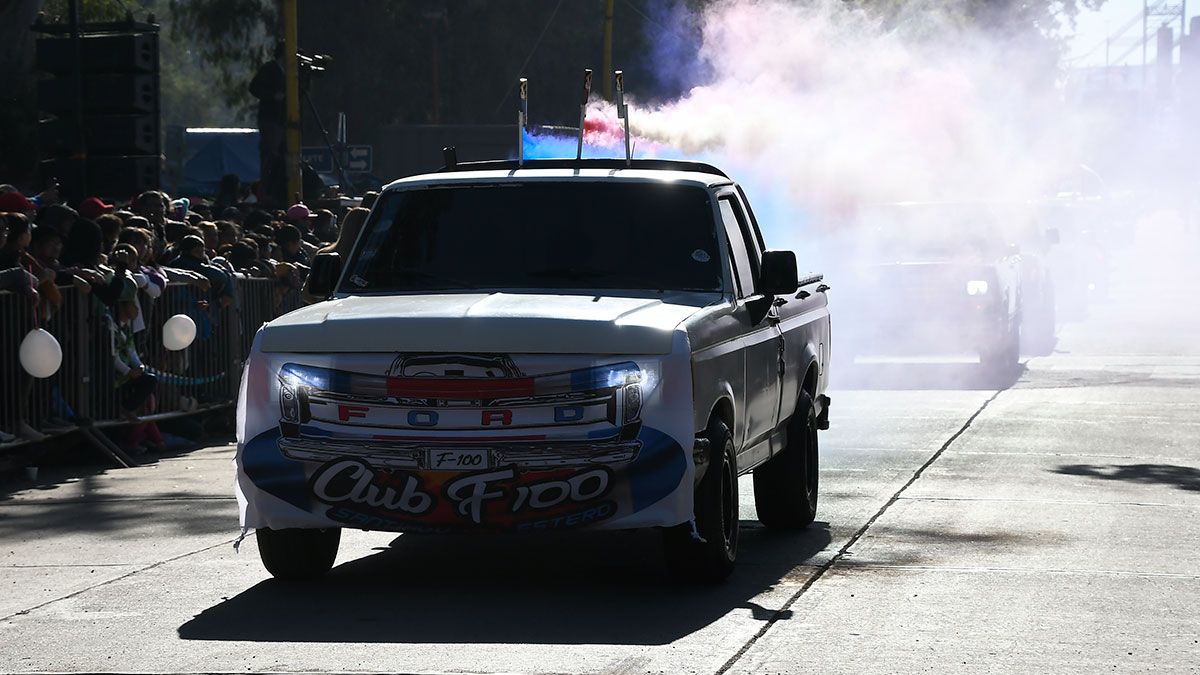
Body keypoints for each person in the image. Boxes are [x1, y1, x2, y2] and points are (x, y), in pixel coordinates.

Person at [249, 42, 287, 207]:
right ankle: (267, 190)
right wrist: (272, 96)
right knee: (270, 153)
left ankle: (278, 189)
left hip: (282, 120)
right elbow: (254, 87)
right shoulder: (270, 69)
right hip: (270, 118)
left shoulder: (288, 72)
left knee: (281, 155)